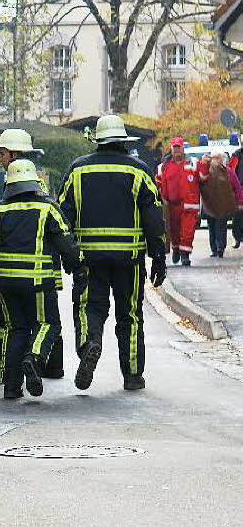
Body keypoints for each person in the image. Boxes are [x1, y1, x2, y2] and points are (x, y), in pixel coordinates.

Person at [57, 115, 166, 392]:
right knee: (129, 315)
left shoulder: (77, 170)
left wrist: (66, 255)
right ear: (122, 141)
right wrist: (159, 255)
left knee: (88, 307)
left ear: (98, 140)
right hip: (129, 260)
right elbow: (153, 218)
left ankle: (90, 344)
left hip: (88, 259)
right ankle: (132, 374)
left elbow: (61, 218)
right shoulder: (139, 171)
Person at [0, 160, 82, 400]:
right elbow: (66, 241)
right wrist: (77, 268)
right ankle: (34, 357)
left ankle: (11, 386)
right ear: (35, 182)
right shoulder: (48, 209)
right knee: (47, 324)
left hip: (4, 283)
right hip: (38, 280)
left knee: (14, 329)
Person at [0, 129, 66, 379]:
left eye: (2, 153)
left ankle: (16, 371)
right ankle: (42, 365)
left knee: (24, 323)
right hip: (38, 269)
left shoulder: (22, 183)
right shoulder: (32, 180)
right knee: (42, 320)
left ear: (13, 154)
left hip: (35, 269)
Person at [156, 137, 200, 266]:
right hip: (171, 206)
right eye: (175, 148)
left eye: (179, 148)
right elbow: (157, 183)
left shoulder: (193, 163)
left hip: (189, 205)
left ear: (183, 149)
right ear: (171, 150)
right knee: (174, 231)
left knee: (187, 231)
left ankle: (185, 255)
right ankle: (176, 249)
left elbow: (203, 177)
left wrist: (208, 163)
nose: (177, 151)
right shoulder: (163, 166)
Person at [197, 151, 243, 258]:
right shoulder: (207, 172)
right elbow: (200, 183)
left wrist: (240, 202)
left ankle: (220, 248)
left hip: (223, 205)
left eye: (218, 158)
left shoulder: (228, 172)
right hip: (210, 206)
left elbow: (236, 188)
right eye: (215, 158)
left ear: (222, 160)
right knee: (212, 228)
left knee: (221, 227)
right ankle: (214, 249)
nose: (216, 160)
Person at [230, 145, 243, 248]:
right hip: (240, 189)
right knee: (238, 216)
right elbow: (231, 172)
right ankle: (237, 238)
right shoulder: (237, 155)